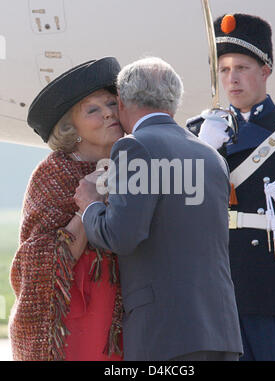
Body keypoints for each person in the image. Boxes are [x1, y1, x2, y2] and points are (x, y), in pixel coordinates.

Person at [74, 56, 243, 361]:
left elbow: (121, 236)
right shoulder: (211, 157)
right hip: (221, 331)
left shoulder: (135, 146)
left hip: (164, 334)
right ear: (174, 102)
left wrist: (90, 205)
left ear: (124, 101)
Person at [187, 14, 275, 360]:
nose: (232, 79)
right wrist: (202, 152)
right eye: (224, 70)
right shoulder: (199, 134)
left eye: (242, 67)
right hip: (218, 296)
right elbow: (183, 212)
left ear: (265, 70)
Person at [9, 57, 124, 361]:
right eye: (93, 110)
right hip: (73, 318)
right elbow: (40, 260)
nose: (109, 113)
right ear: (70, 127)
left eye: (112, 102)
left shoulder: (136, 165)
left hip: (128, 315)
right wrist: (90, 205)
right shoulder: (53, 175)